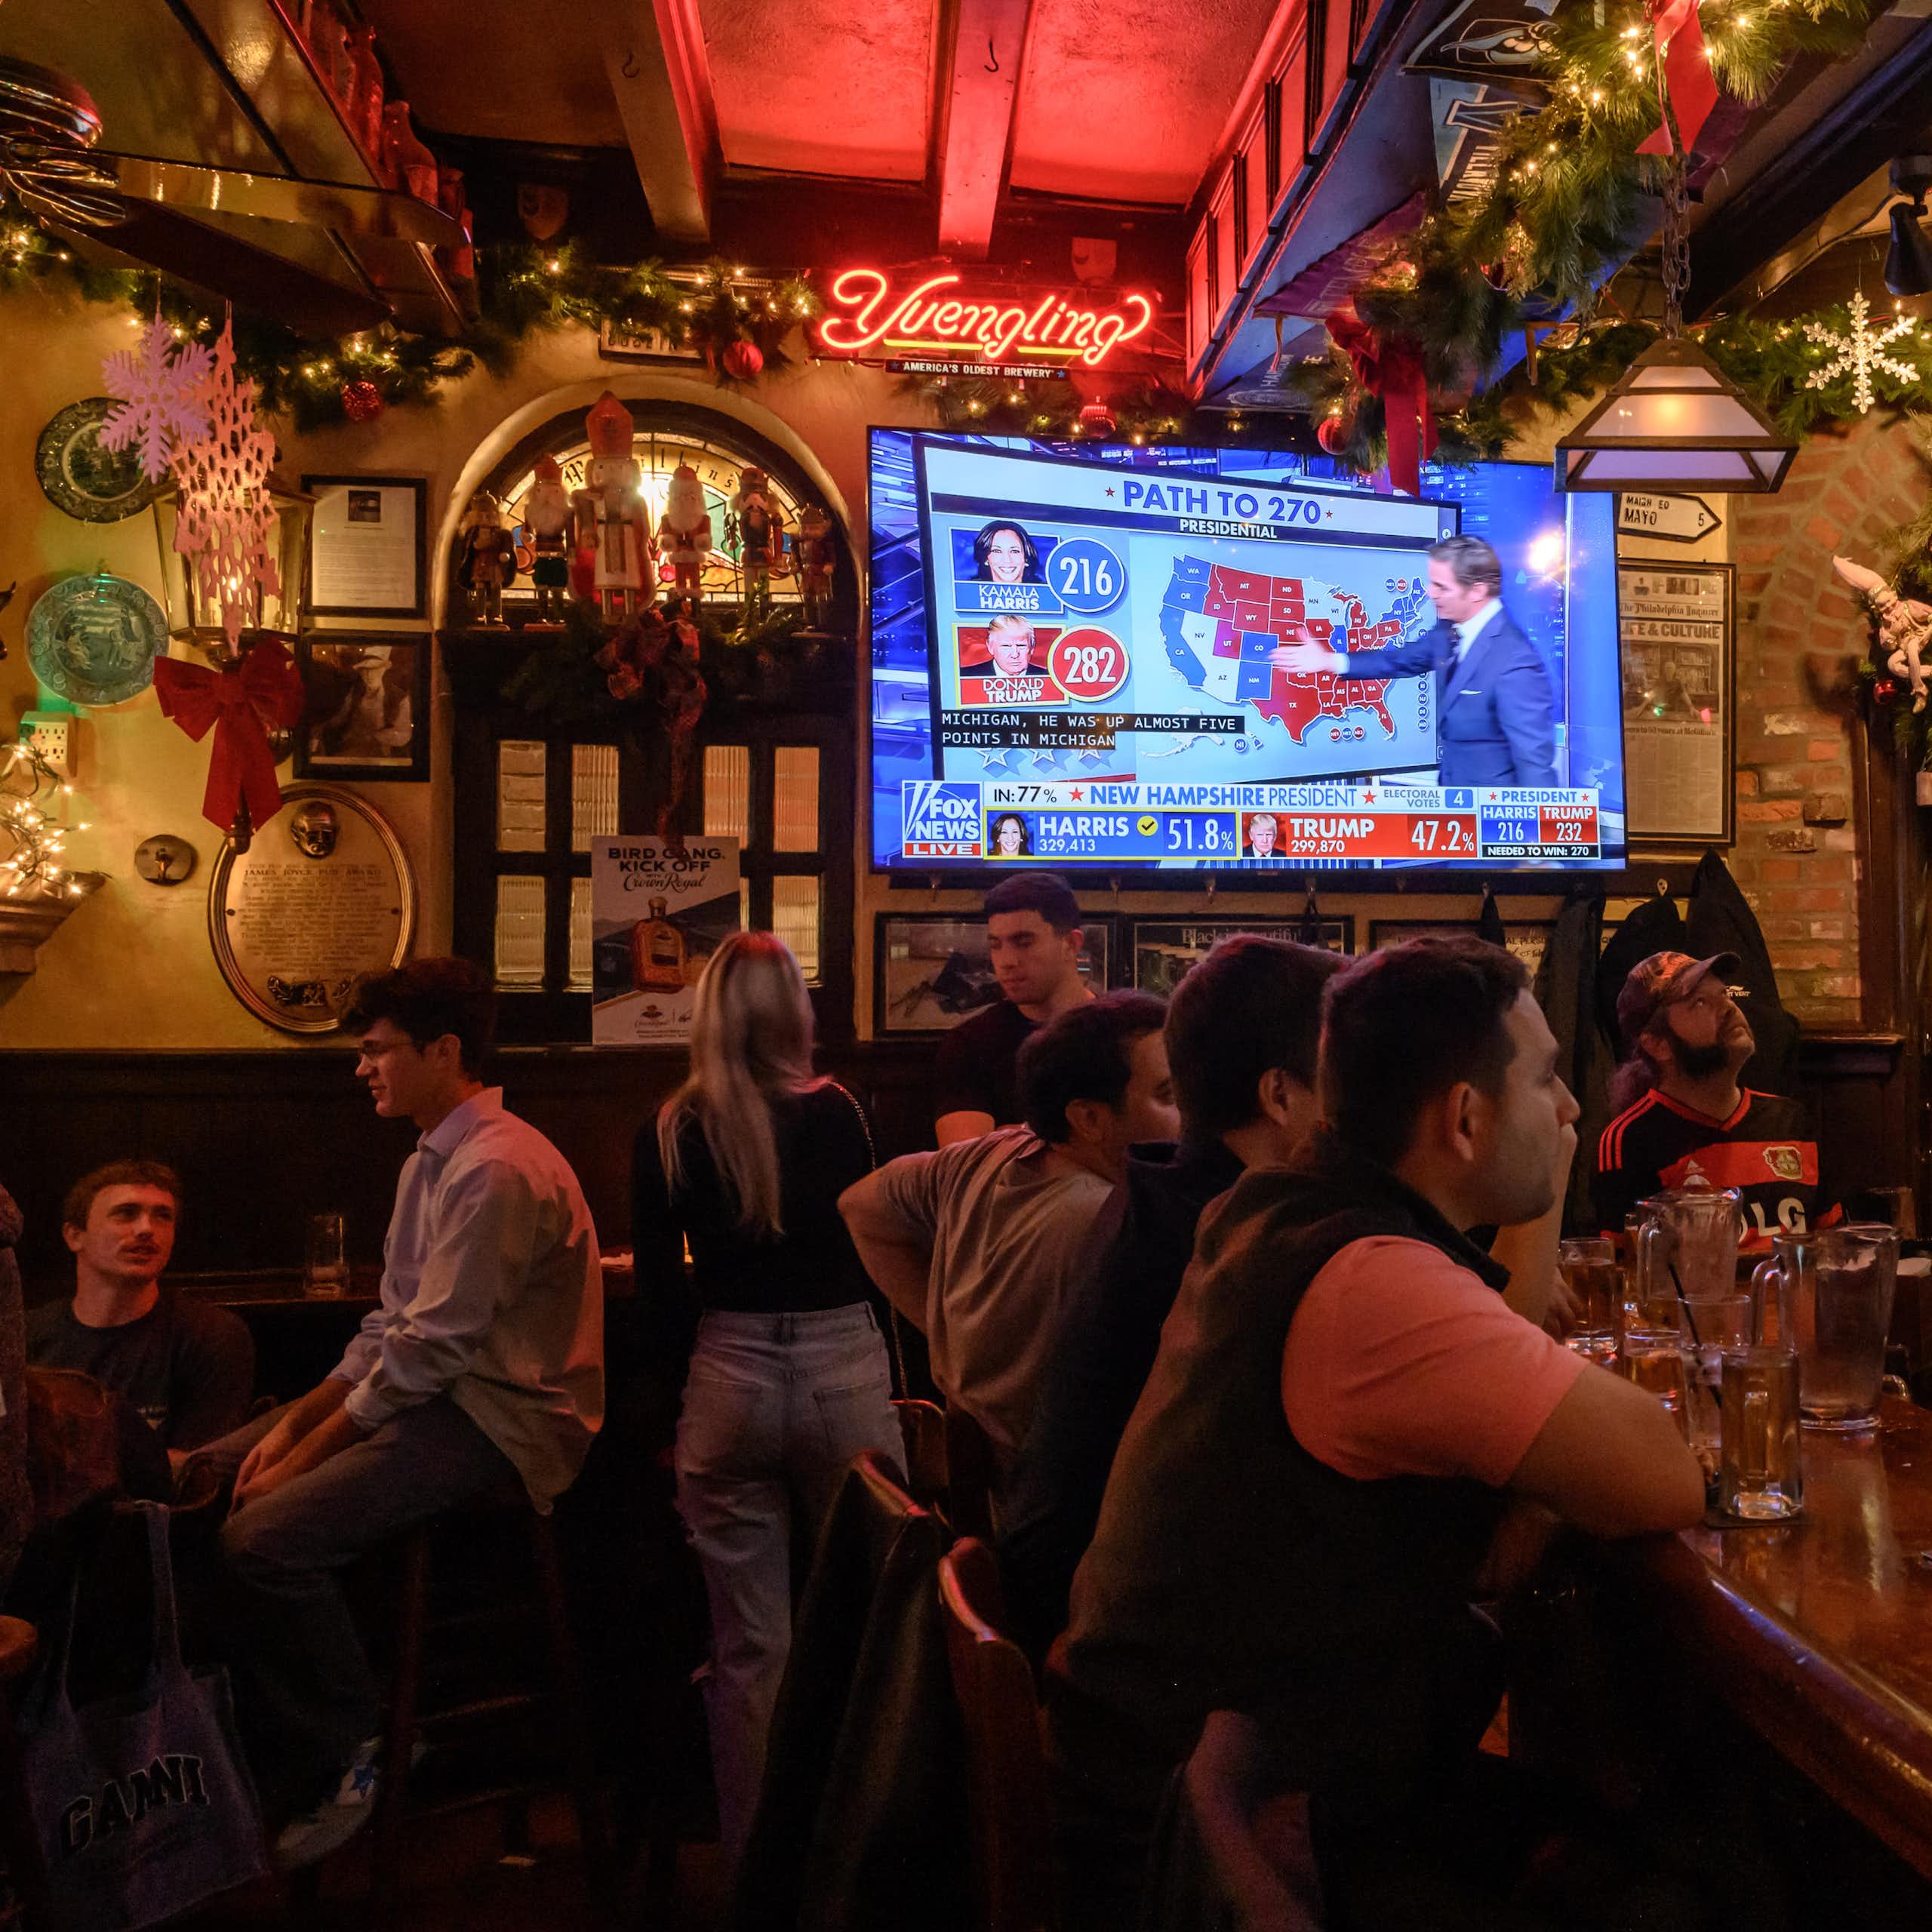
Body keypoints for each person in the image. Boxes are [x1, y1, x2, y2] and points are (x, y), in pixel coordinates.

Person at [1048, 937, 1704, 1931]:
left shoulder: (1278, 1214)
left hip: (1190, 1779)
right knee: (1692, 1881)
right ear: (1467, 1118)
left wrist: (1536, 1461)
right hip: (1219, 1857)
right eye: (1546, 1080)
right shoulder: (1373, 1280)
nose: (1572, 1111)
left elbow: (1485, 1528)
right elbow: (1667, 1478)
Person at [208, 958, 604, 1866]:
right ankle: (238, 1762)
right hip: (440, 1396)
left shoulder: (496, 1168)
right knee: (203, 1470)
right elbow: (387, 1330)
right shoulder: (434, 1157)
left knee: (259, 1542)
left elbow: (430, 1354)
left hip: (504, 1421)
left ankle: (364, 1747)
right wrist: (285, 1431)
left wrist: (303, 1459)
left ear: (445, 1050)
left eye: (378, 1050)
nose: (362, 1068)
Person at [631, 933, 903, 1872]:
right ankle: (856, 1860)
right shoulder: (844, 1115)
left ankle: (759, 1868)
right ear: (797, 1012)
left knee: (751, 1647)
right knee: (869, 1628)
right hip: (840, 1368)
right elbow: (875, 1263)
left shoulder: (670, 1126)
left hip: (728, 1374)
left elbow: (662, 1293)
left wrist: (673, 1419)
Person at [998, 937, 1346, 1661]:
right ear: (1281, 1096)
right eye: (1347, 1074)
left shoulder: (1169, 1190)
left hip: (1071, 1593)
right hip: (1107, 1645)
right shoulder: (1230, 1232)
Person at [841, 992, 1178, 1478]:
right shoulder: (1114, 1223)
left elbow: (860, 1206)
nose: (1193, 1113)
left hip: (982, 1498)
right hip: (1060, 1507)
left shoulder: (991, 1152)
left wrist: (943, 1335)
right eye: (1168, 1095)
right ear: (1088, 1118)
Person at [1270, 534, 1557, 787]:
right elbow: (1399, 660)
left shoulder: (1515, 661)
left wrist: (1539, 838)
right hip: (1455, 807)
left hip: (1494, 821)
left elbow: (1533, 760)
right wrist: (1330, 661)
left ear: (1477, 591)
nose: (1431, 594)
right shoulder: (1448, 631)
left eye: (1441, 587)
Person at [27, 1161, 254, 1470]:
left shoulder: (212, 1336)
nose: (147, 1229)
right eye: (126, 1213)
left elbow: (198, 1471)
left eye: (163, 1217)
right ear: (75, 1236)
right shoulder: (24, 1336)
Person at [1594, 949, 1830, 1244]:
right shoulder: (1631, 1140)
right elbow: (1623, 1272)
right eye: (1700, 1003)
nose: (1730, 1008)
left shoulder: (1792, 1121)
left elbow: (1832, 1249)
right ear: (1658, 1045)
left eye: (1725, 994)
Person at [933, 872, 1093, 1145]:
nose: (1006, 961)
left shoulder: (1124, 1033)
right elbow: (967, 1169)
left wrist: (1019, 1138)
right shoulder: (969, 1046)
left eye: (1023, 943)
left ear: (1071, 944)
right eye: (996, 946)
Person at [972, 519, 1042, 584]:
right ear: (986, 559)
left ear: (1026, 557)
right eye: (997, 551)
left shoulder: (1045, 593)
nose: (1007, 560)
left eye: (1014, 551)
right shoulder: (971, 592)